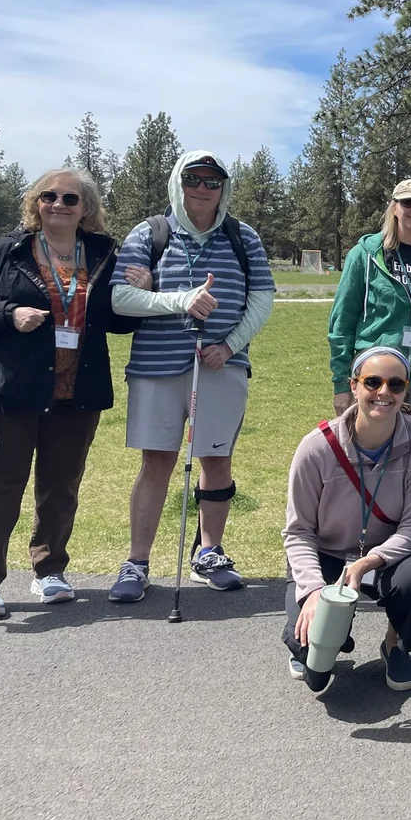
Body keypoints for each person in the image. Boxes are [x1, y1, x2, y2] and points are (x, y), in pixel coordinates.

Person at [0, 170, 136, 620]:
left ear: (86, 207)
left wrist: (140, 294)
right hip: (9, 391)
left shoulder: (103, 254)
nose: (59, 204)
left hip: (77, 390)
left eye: (70, 197)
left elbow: (118, 322)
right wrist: (8, 312)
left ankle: (50, 570)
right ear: (35, 203)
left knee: (61, 485)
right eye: (48, 196)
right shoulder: (8, 251)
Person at [106, 151, 276, 602]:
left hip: (221, 366)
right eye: (193, 179)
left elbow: (261, 299)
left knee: (216, 460)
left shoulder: (244, 237)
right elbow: (121, 298)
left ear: (224, 188)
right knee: (157, 461)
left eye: (212, 181)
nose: (202, 188)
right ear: (177, 183)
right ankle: (137, 563)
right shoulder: (150, 233)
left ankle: (209, 553)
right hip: (156, 367)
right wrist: (179, 300)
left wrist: (230, 345)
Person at [282, 347, 411, 691]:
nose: (384, 393)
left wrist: (368, 562)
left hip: (388, 555)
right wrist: (311, 594)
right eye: (372, 382)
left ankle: (395, 643)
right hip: (327, 553)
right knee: (314, 673)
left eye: (395, 384)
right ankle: (328, 637)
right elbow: (298, 533)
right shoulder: (316, 447)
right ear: (354, 385)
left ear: (405, 390)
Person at [327, 178, 411, 521]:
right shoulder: (365, 255)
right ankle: (366, 538)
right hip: (378, 379)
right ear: (394, 207)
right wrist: (342, 383)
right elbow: (342, 320)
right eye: (410, 203)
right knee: (371, 458)